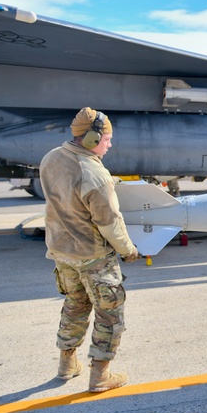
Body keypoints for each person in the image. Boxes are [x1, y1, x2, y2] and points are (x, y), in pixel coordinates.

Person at [39, 107, 141, 392]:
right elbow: (109, 222)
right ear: (92, 138)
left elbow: (70, 190)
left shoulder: (51, 158)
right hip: (92, 256)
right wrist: (129, 250)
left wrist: (111, 183)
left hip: (62, 252)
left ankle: (67, 364)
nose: (110, 144)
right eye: (107, 139)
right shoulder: (93, 173)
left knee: (75, 305)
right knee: (110, 314)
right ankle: (100, 376)